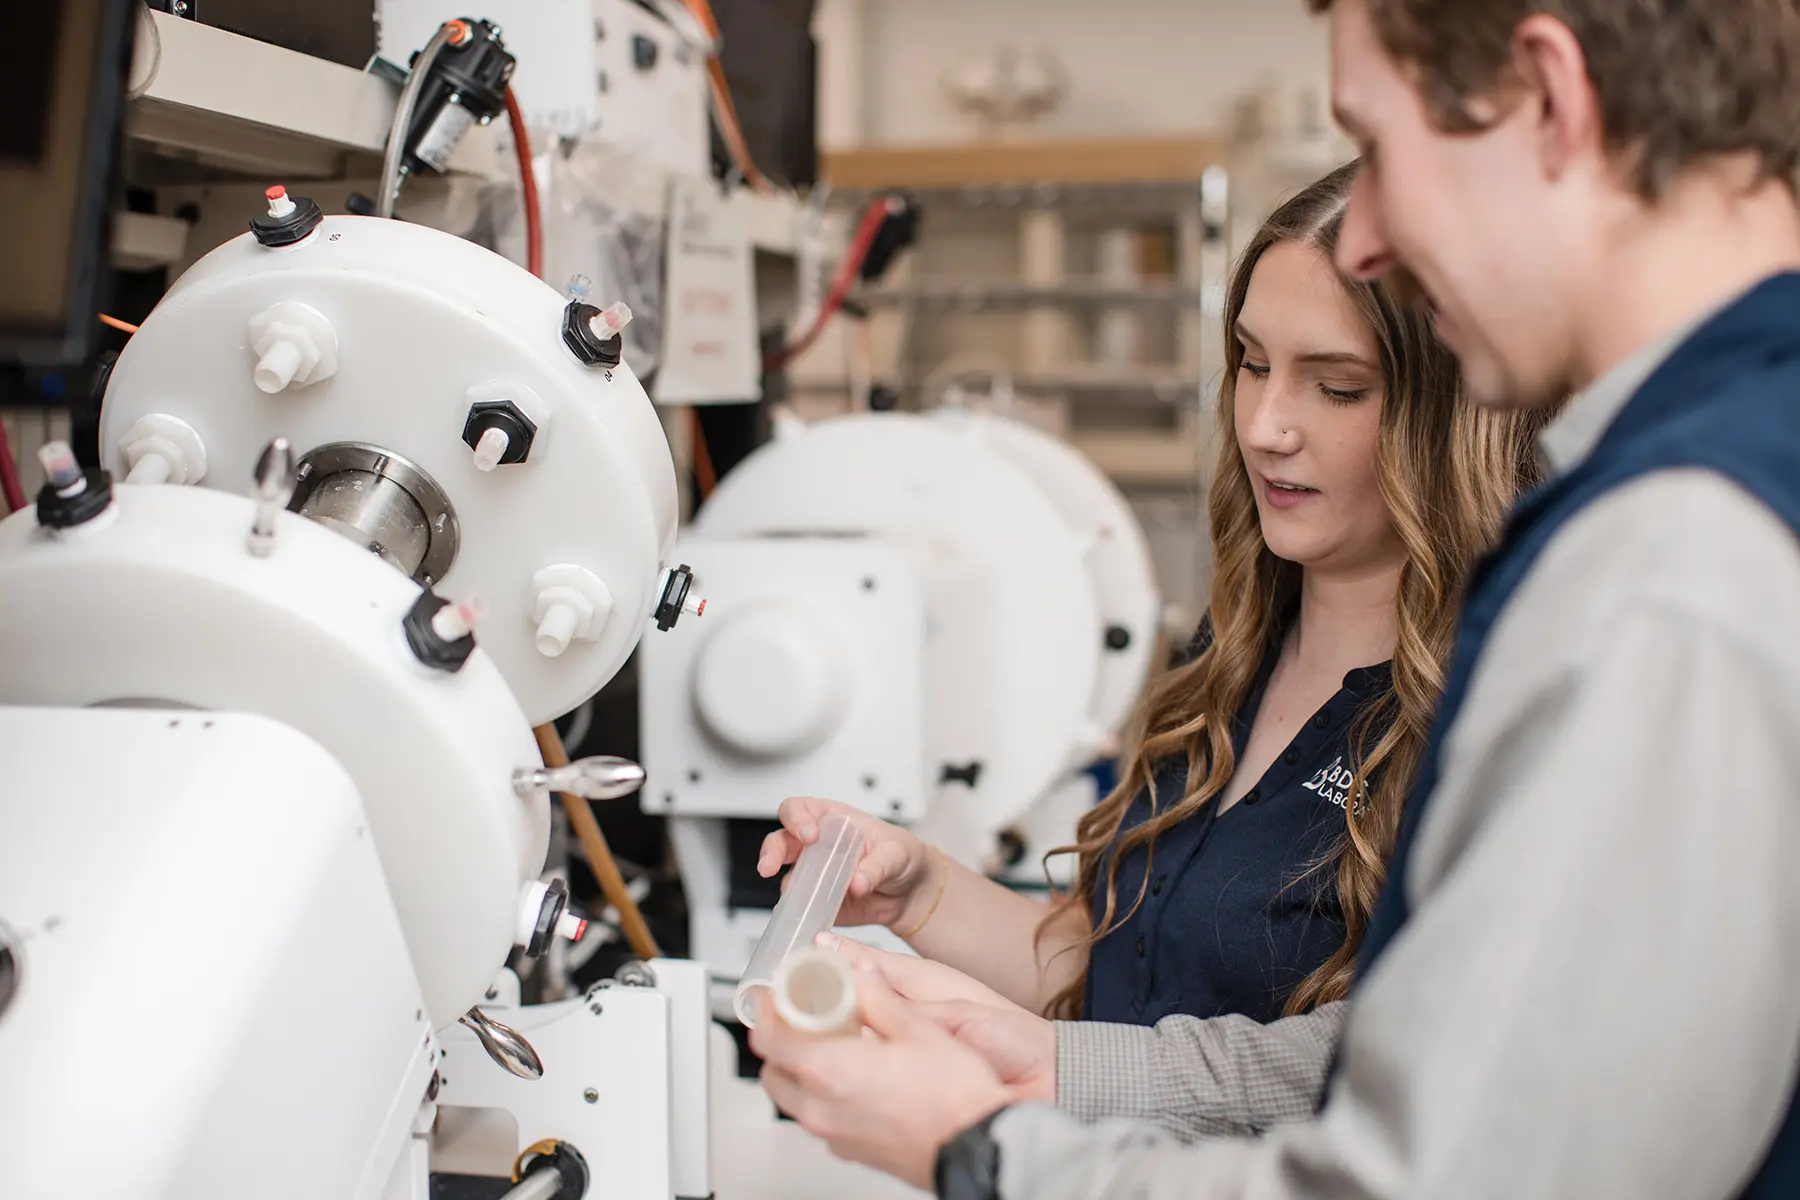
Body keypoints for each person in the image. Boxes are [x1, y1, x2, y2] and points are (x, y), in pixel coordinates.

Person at [748, 0, 1800, 1197]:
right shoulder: (1700, 490)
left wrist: (979, 1150)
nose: (1370, 241)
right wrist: (999, 990)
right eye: (1249, 365)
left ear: (1549, 96)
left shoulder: (1672, 564)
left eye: (1380, 145)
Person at [757, 162, 1538, 1042]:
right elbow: (1122, 967)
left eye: (1336, 387)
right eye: (1252, 363)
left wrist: (1047, 1067)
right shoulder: (1235, 645)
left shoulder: (1490, 711)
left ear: (1455, 413)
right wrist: (921, 891)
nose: (1264, 426)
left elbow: (1377, 1082)